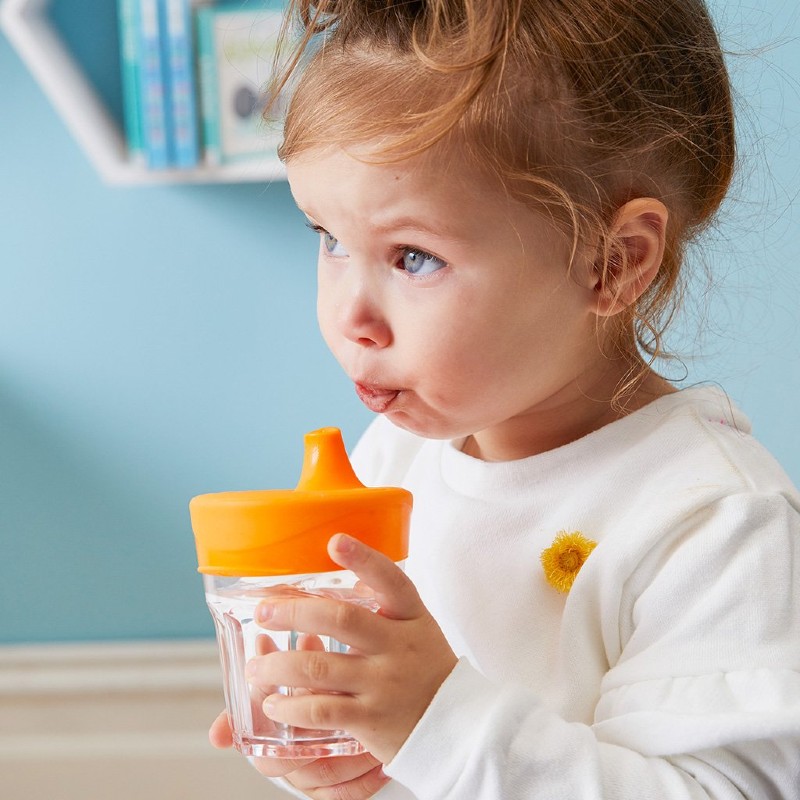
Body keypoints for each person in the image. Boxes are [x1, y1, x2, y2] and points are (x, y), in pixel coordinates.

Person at [210, 1, 800, 797]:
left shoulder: (711, 522)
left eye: (414, 257)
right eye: (331, 240)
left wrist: (432, 722)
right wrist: (348, 749)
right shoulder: (397, 456)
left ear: (612, 264)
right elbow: (420, 763)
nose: (349, 316)